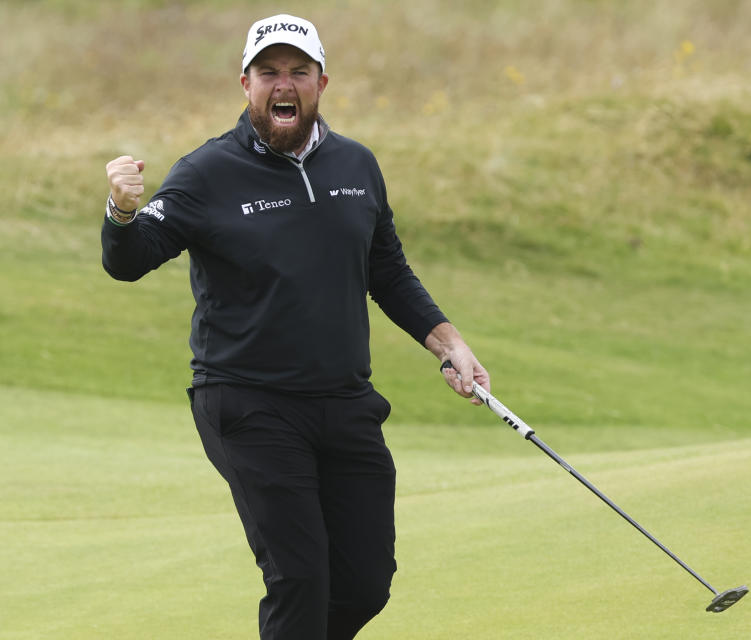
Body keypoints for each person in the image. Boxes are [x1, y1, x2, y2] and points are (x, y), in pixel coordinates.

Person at [101, 13, 490, 640]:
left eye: (298, 72)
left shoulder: (356, 166)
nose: (284, 84)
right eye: (269, 72)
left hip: (344, 402)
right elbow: (129, 261)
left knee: (365, 581)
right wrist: (121, 212)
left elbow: (386, 272)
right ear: (246, 84)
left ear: (321, 83)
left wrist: (450, 345)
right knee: (300, 578)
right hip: (249, 403)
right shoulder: (207, 172)